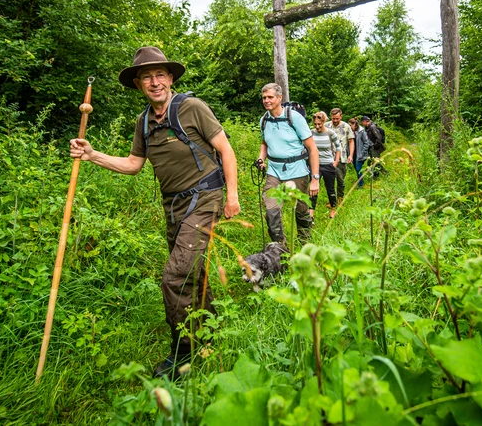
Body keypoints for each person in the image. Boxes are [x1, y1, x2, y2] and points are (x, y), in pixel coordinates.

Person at [69, 46, 240, 380]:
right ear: (138, 85)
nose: (154, 82)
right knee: (192, 272)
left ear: (170, 78)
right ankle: (211, 331)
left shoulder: (192, 108)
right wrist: (92, 155)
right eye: (146, 77)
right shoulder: (143, 122)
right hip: (173, 205)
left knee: (175, 276)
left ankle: (183, 353)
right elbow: (134, 164)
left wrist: (232, 196)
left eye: (160, 74)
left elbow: (226, 150)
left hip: (206, 197)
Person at [256, 83, 320, 246]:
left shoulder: (295, 118)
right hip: (274, 172)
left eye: (270, 97)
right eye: (264, 97)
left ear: (279, 97)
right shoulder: (264, 120)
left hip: (297, 170)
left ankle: (305, 243)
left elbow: (312, 149)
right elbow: (264, 143)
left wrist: (315, 178)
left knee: (301, 209)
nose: (266, 100)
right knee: (271, 210)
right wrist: (261, 159)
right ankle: (280, 249)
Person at [309, 111, 341, 219]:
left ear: (323, 122)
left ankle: (333, 209)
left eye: (319, 124)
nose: (317, 126)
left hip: (328, 164)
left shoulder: (330, 133)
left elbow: (338, 147)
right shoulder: (311, 133)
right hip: (315, 165)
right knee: (313, 189)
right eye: (315, 124)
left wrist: (336, 161)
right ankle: (311, 213)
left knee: (330, 188)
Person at [328, 108, 355, 206]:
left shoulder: (346, 126)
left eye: (337, 118)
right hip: (328, 157)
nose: (335, 120)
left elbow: (351, 141)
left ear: (341, 117)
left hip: (342, 158)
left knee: (340, 181)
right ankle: (331, 200)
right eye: (333, 118)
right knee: (329, 181)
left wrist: (351, 155)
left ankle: (340, 199)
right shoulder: (326, 126)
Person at [348, 117, 371, 188]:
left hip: (360, 154)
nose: (349, 127)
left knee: (358, 169)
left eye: (350, 125)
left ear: (354, 124)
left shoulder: (361, 132)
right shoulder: (350, 132)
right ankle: (360, 180)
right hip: (354, 154)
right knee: (356, 168)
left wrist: (362, 153)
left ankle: (360, 184)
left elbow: (366, 143)